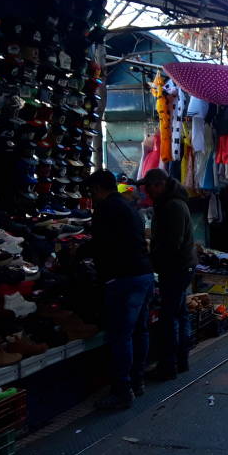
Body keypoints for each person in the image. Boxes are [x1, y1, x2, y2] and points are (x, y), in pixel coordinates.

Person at [86, 170, 155, 410]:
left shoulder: (106, 209)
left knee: (121, 335)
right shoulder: (129, 207)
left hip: (124, 277)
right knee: (140, 331)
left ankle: (122, 390)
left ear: (97, 189)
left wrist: (79, 253)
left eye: (92, 192)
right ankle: (137, 382)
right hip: (144, 273)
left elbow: (99, 243)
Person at [138, 168, 197, 380]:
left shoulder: (172, 206)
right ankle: (181, 361)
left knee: (169, 317)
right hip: (181, 266)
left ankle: (168, 365)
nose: (146, 191)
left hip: (175, 268)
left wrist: (155, 259)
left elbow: (173, 242)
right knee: (179, 314)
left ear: (159, 185)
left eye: (149, 187)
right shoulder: (172, 203)